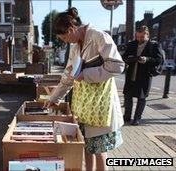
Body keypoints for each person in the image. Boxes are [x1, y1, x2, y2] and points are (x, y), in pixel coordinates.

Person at [43, 8, 125, 171]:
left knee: (100, 150)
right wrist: (54, 98)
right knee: (86, 145)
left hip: (100, 104)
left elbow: (117, 65)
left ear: (71, 29)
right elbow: (68, 76)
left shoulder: (98, 36)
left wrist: (87, 74)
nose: (65, 41)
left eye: (65, 37)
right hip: (84, 105)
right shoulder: (74, 47)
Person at [122, 25, 163, 126]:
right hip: (131, 74)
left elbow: (158, 60)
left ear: (147, 35)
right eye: (138, 37)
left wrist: (146, 59)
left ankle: (137, 118)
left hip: (144, 76)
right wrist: (130, 58)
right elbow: (124, 57)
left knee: (142, 98)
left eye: (142, 37)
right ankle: (127, 117)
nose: (139, 39)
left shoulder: (154, 45)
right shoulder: (131, 44)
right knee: (127, 96)